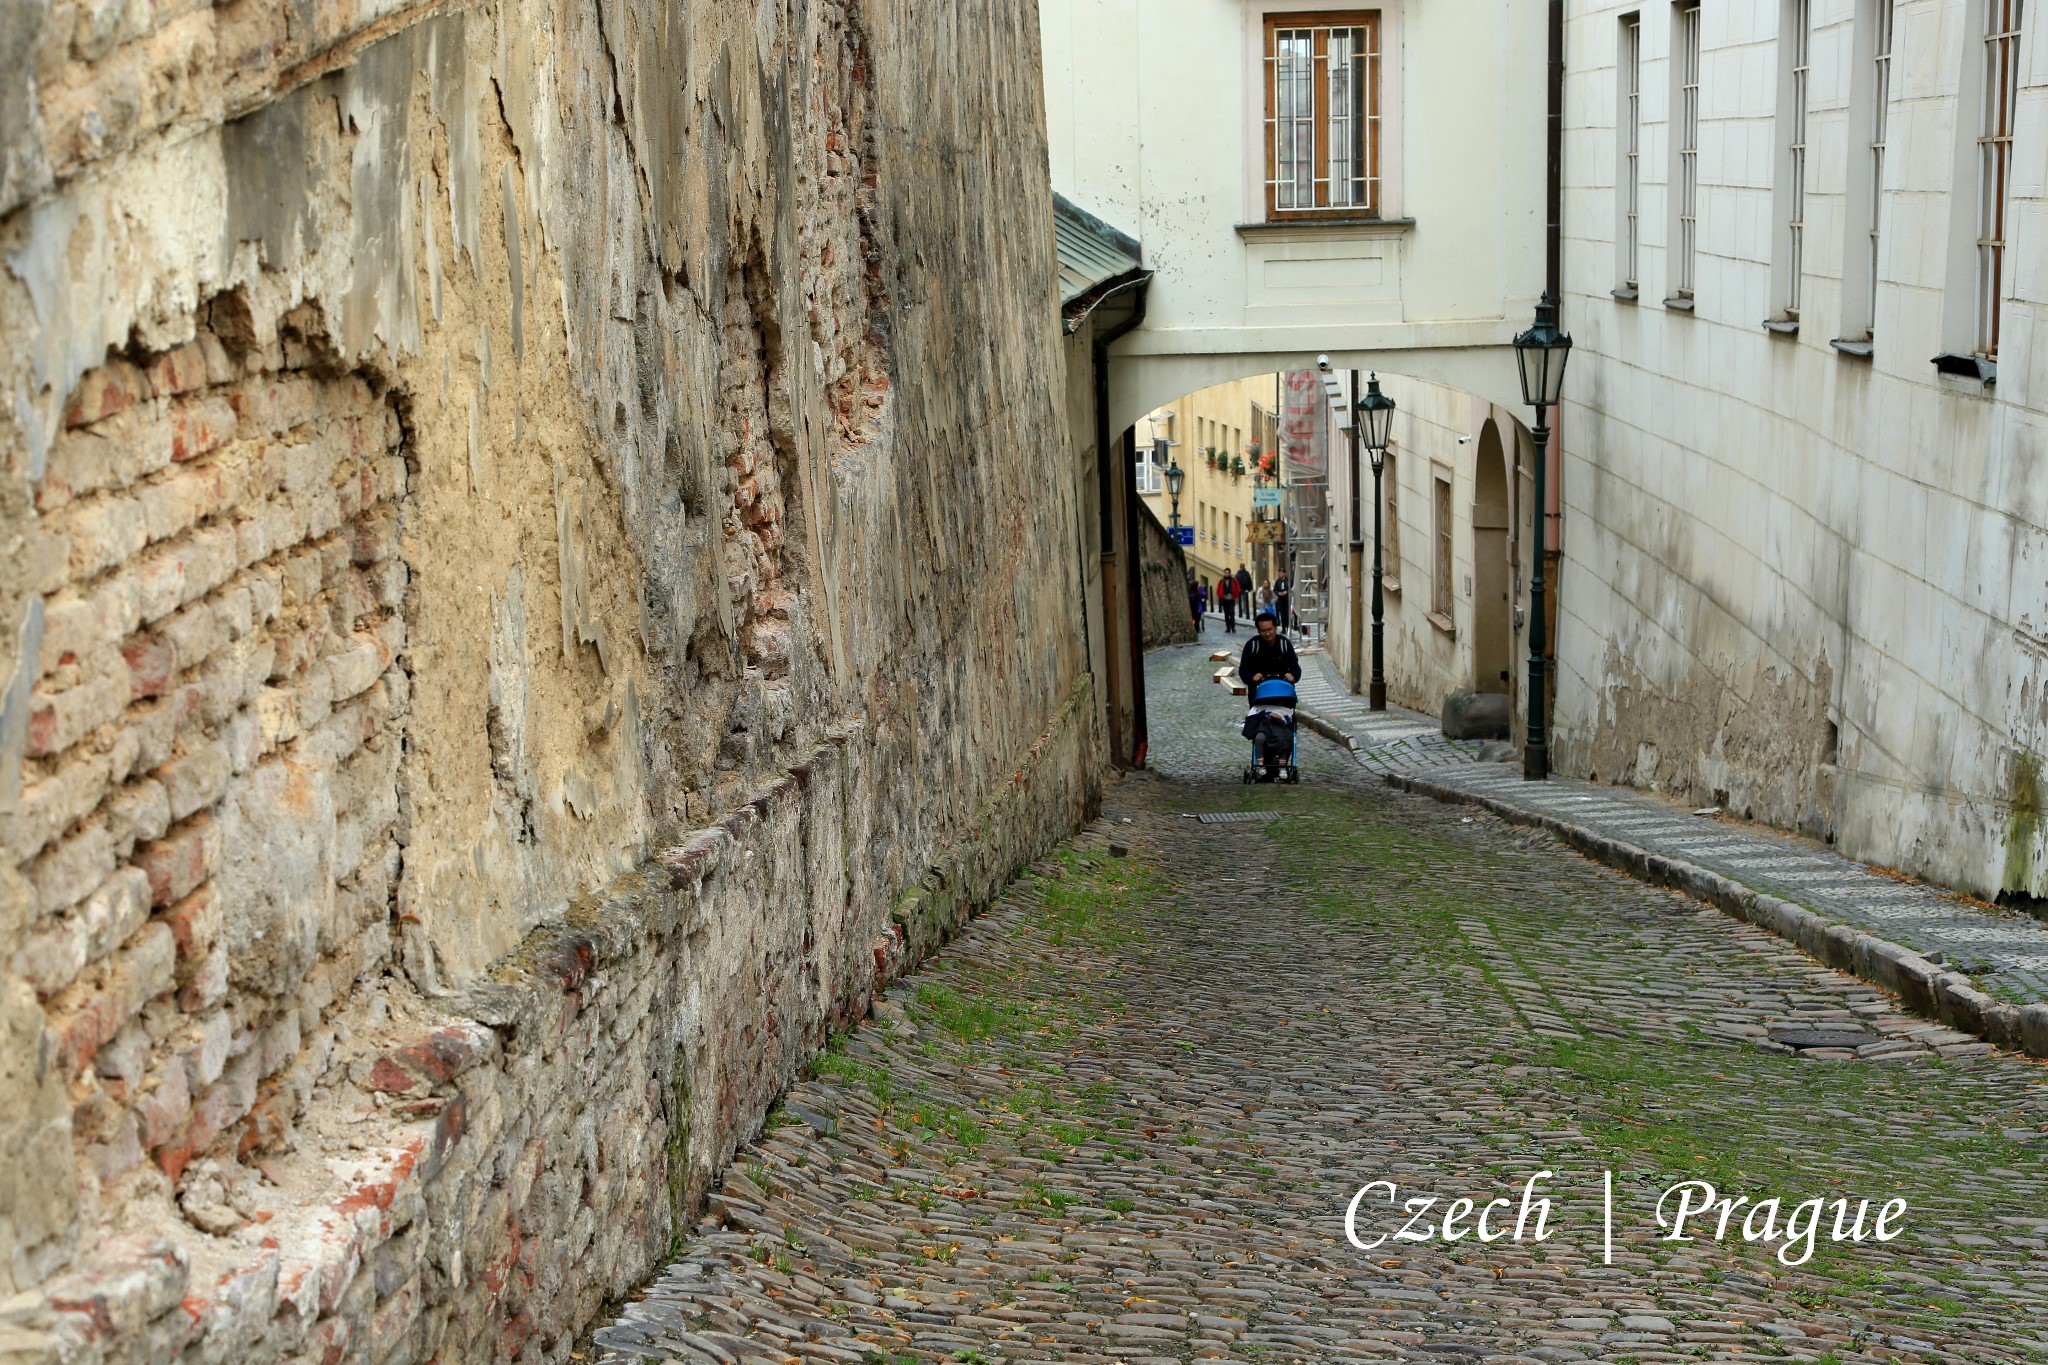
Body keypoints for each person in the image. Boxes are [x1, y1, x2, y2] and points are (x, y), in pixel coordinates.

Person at [1238, 609, 1300, 688]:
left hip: (1283, 689)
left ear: (1276, 628)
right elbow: (1243, 670)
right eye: (1263, 631)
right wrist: (1252, 678)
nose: (1267, 633)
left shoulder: (1284, 644)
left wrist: (1292, 676)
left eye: (1270, 629)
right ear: (1258, 631)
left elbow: (1296, 668)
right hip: (1259, 691)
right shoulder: (1252, 645)